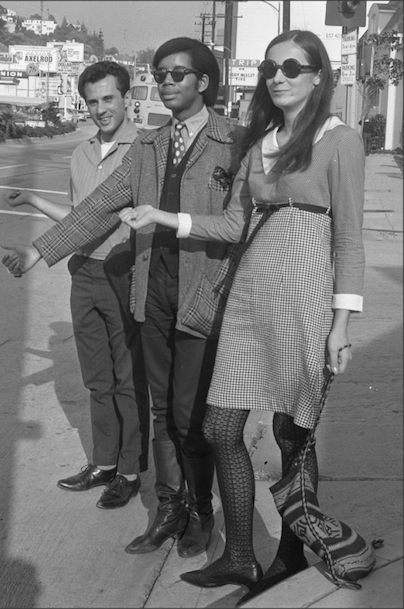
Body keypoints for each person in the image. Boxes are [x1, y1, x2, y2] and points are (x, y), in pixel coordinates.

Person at [118, 30, 365, 605]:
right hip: (249, 297)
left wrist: (341, 324)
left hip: (304, 295)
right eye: (271, 68)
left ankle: (287, 552)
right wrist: (165, 216)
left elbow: (349, 238)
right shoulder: (258, 143)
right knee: (221, 427)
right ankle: (239, 556)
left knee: (290, 431)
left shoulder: (340, 140)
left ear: (318, 76)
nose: (278, 76)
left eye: (292, 67)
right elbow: (233, 224)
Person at [1, 37, 247, 558]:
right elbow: (96, 209)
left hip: (203, 292)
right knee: (161, 411)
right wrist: (38, 253)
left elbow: (241, 224)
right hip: (152, 291)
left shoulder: (235, 141)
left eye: (179, 73)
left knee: (191, 414)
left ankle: (201, 512)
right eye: (160, 73)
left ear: (204, 82)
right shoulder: (149, 148)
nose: (167, 81)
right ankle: (168, 508)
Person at [4, 61, 150, 510]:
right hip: (84, 272)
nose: (101, 109)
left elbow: (103, 217)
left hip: (123, 271)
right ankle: (104, 463)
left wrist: (38, 252)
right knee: (96, 378)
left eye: (109, 98)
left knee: (128, 378)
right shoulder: (81, 152)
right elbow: (79, 220)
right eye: (92, 101)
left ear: (127, 97)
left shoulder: (144, 149)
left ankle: (129, 471)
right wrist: (32, 199)